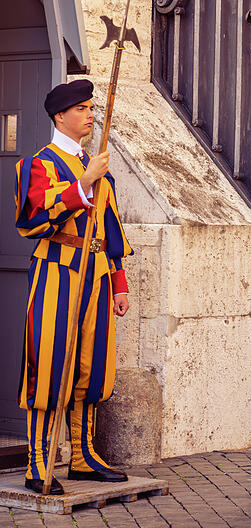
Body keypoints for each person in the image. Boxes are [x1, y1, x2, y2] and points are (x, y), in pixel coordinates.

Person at [14, 79, 132, 495]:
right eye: (81, 108)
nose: (90, 114)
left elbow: (109, 228)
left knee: (91, 366)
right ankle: (38, 462)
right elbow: (33, 219)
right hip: (57, 271)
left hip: (96, 273)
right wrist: (83, 184)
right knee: (49, 364)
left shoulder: (96, 166)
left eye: (91, 107)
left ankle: (81, 457)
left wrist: (118, 281)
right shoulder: (38, 165)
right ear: (60, 115)